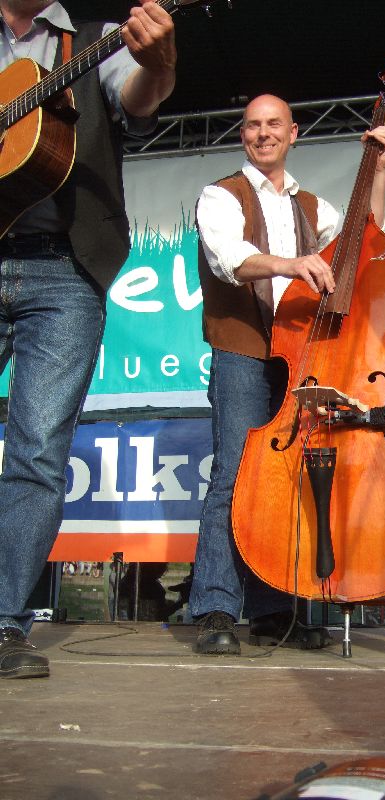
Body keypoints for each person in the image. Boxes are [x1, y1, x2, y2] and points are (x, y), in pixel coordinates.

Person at [0, 0, 177, 679]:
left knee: (38, 451)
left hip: (64, 268)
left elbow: (138, 97)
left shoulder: (96, 40)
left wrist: (159, 63)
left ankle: (5, 621)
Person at [192, 93, 385, 655]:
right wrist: (291, 264)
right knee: (234, 475)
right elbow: (228, 259)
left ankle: (273, 612)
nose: (263, 133)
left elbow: (365, 240)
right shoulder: (221, 195)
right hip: (243, 351)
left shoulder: (312, 205)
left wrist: (378, 171)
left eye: (273, 124)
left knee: (281, 480)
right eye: (253, 125)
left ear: (293, 132)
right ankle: (214, 608)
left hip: (301, 358)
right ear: (243, 135)